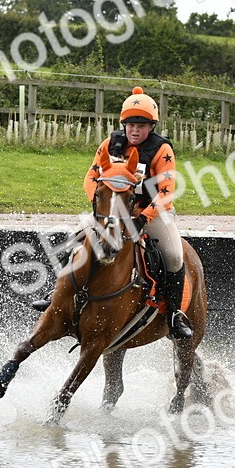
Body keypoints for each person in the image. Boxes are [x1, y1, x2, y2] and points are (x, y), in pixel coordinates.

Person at [32, 86, 193, 339]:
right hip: (113, 214)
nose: (135, 130)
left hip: (151, 214)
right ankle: (54, 296)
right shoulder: (110, 144)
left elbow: (166, 191)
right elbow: (91, 178)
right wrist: (102, 209)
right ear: (123, 124)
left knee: (174, 257)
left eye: (141, 125)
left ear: (151, 127)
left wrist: (142, 219)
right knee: (72, 243)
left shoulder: (162, 150)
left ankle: (174, 315)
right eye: (130, 124)